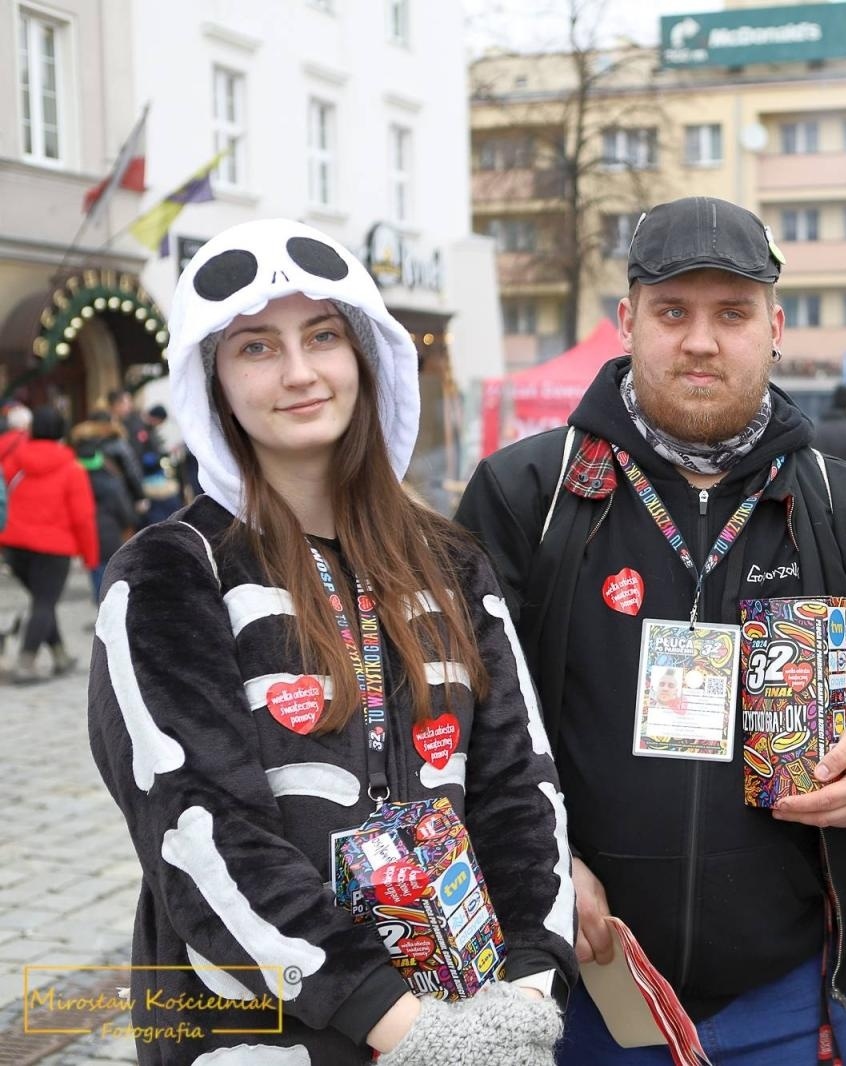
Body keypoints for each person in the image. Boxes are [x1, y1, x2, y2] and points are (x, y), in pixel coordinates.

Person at [454, 195, 846, 1066]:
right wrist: (540, 865)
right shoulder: (529, 494)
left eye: (732, 313)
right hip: (582, 989)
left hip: (799, 994)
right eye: (673, 311)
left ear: (775, 326)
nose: (702, 341)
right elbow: (457, 724)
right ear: (627, 320)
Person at [86, 219, 575, 1065]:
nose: (301, 372)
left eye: (322, 337)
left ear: (366, 357)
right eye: (257, 348)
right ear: (215, 382)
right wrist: (405, 1030)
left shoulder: (451, 561)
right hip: (260, 1040)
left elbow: (518, 789)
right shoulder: (169, 574)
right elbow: (203, 837)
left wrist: (527, 993)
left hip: (471, 1014)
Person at [0, 405, 98, 683]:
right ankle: (26, 662)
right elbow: (83, 518)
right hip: (53, 548)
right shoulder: (71, 468)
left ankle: (59, 655)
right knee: (44, 602)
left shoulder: (14, 462)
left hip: (14, 545)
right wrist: (90, 557)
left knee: (43, 600)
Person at [70, 418, 138, 601]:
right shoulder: (108, 472)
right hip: (109, 529)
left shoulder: (73, 470)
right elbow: (120, 501)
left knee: (95, 568)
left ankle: (99, 599)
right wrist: (129, 520)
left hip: (86, 530)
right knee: (109, 570)